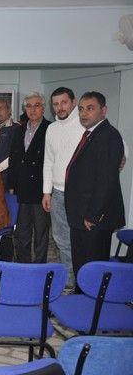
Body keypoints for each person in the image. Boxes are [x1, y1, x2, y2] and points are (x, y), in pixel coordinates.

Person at [64, 91, 125, 287]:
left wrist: (92, 215)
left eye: (90, 108)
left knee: (92, 271)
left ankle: (91, 304)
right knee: (81, 267)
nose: (84, 113)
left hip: (94, 219)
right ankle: (80, 300)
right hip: (81, 214)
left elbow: (106, 182)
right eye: (81, 109)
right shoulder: (92, 134)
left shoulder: (109, 136)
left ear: (103, 110)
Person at [41, 87, 82, 288]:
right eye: (56, 104)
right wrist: (46, 192)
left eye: (64, 102)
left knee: (80, 237)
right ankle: (69, 278)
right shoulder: (52, 129)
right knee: (61, 239)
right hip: (57, 192)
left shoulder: (85, 124)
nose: (60, 107)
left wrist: (122, 157)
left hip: (79, 194)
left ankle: (83, 279)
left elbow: (117, 144)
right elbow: (48, 162)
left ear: (73, 102)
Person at [8, 92, 51, 263]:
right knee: (22, 232)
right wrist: (11, 184)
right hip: (22, 188)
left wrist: (48, 191)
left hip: (41, 189)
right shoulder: (19, 130)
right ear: (24, 109)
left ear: (43, 108)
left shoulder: (50, 129)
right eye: (29, 106)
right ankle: (23, 265)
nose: (32, 110)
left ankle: (39, 266)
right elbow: (14, 158)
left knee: (41, 232)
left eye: (37, 105)